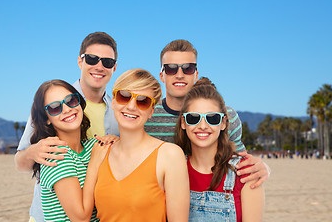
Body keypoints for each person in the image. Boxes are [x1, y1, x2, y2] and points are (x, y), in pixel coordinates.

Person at [15, 32, 119, 222]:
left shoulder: (118, 110)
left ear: (114, 67)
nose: (99, 66)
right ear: (80, 61)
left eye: (107, 62)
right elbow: (19, 161)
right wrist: (34, 152)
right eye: (92, 59)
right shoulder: (51, 96)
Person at [144, 39, 269, 188]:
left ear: (196, 74)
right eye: (171, 68)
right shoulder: (146, 114)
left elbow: (244, 165)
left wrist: (265, 169)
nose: (179, 75)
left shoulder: (224, 116)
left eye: (187, 68)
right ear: (162, 75)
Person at [94, 69, 190, 222]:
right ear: (113, 101)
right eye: (124, 96)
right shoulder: (101, 150)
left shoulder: (169, 155)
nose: (132, 107)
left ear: (152, 110)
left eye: (143, 101)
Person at [175, 78, 265, 221]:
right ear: (183, 123)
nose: (203, 126)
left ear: (223, 123)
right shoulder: (173, 170)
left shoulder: (245, 173)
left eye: (212, 118)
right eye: (193, 118)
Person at [30, 79, 110, 221]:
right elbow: (81, 218)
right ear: (46, 119)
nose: (67, 109)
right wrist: (94, 164)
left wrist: (114, 141)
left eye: (71, 100)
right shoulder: (56, 155)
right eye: (55, 108)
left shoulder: (92, 146)